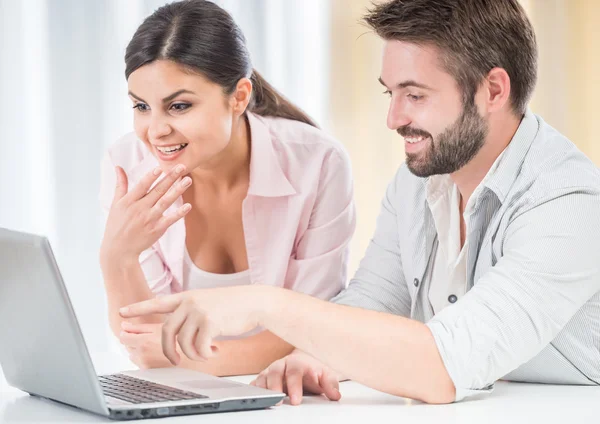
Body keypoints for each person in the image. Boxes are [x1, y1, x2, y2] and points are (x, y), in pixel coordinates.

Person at [119, 0, 600, 404]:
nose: (393, 118)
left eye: (414, 95)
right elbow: (373, 303)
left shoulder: (567, 200)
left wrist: (263, 305)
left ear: (492, 90)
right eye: (390, 93)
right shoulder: (418, 183)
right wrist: (312, 356)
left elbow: (444, 367)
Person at [98, 0, 355, 377]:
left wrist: (179, 359)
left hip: (291, 396)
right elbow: (143, 340)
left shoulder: (318, 164)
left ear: (238, 97)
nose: (155, 131)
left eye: (179, 106)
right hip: (183, 400)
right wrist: (116, 256)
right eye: (141, 106)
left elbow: (313, 328)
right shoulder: (127, 166)